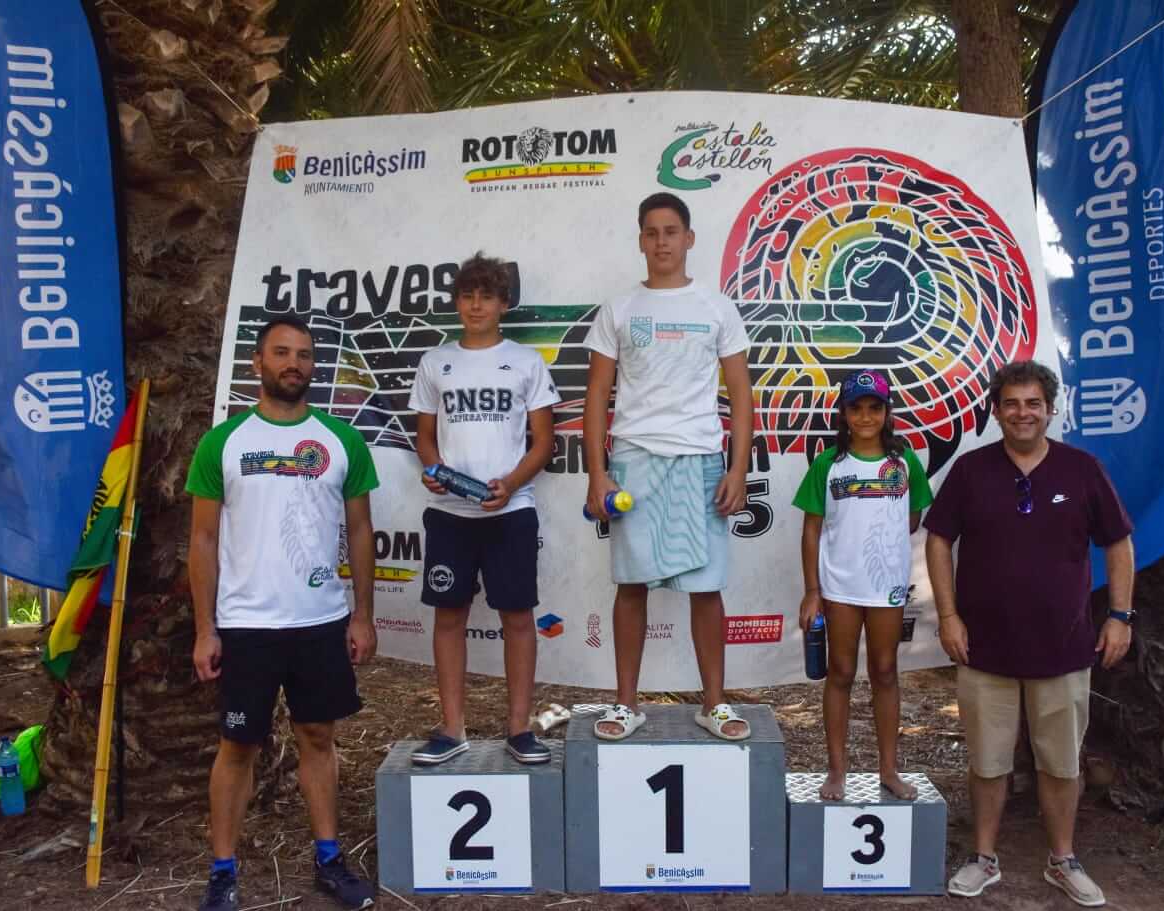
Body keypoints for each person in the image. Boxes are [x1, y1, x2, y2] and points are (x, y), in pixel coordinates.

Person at [924, 359, 1135, 908]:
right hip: (983, 647)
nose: (1023, 413)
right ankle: (983, 858)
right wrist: (948, 616)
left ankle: (1063, 860)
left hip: (1065, 645)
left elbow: (1118, 542)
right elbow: (939, 540)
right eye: (1012, 404)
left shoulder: (1082, 469)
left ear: (1050, 409)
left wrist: (1120, 615)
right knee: (988, 762)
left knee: (1061, 764)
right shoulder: (970, 471)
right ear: (996, 412)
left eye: (1033, 403)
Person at [187, 314, 379, 911]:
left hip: (319, 621)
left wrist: (362, 615)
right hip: (247, 626)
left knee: (318, 736)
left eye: (303, 354)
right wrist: (205, 629)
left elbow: (360, 529)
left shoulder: (342, 441)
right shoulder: (223, 443)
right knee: (238, 746)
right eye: (281, 352)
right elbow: (202, 539)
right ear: (258, 363)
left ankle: (329, 859)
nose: (293, 363)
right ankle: (223, 873)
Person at [583, 191, 755, 741]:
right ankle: (625, 704)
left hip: (701, 459)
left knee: (707, 587)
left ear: (689, 239)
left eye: (671, 231)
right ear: (641, 240)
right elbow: (596, 395)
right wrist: (597, 473)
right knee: (631, 585)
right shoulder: (619, 309)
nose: (662, 242)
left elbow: (742, 394)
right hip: (634, 459)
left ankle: (715, 704)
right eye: (652, 232)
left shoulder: (717, 307)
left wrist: (737, 468)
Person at [407, 252, 558, 765]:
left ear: (503, 304)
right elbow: (425, 437)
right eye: (467, 296)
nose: (475, 305)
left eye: (486, 297)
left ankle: (520, 728)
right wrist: (433, 469)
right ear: (456, 302)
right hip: (450, 514)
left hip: (511, 512)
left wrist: (511, 484)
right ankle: (453, 728)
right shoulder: (435, 363)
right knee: (449, 616)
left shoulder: (526, 361)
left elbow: (544, 442)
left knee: (518, 616)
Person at [793, 369, 932, 801]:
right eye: (857, 408)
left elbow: (914, 517)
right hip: (839, 587)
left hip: (887, 587)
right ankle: (837, 771)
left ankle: (888, 770)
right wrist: (812, 590)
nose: (866, 416)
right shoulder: (828, 464)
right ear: (844, 413)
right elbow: (811, 529)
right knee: (840, 672)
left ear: (887, 412)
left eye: (875, 407)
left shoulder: (904, 461)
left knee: (885, 672)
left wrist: (883, 541)